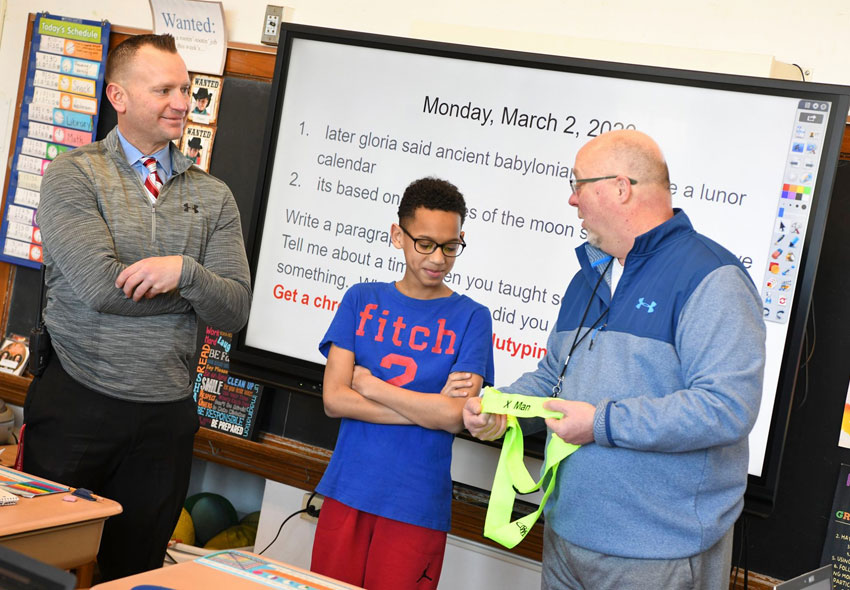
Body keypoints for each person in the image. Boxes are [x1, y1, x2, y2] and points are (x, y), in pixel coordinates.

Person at [463, 130, 765, 590]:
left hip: (656, 556)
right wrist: (502, 410)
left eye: (579, 184)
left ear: (621, 188)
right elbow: (553, 376)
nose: (571, 199)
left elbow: (725, 408)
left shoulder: (712, 279)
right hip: (565, 536)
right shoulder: (588, 275)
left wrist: (601, 422)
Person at [22, 34, 251, 581]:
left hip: (165, 418)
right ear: (118, 97)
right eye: (165, 89)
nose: (182, 103)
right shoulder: (74, 176)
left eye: (187, 90)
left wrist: (184, 272)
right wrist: (190, 301)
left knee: (136, 573)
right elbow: (100, 287)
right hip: (77, 403)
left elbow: (235, 308)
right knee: (33, 570)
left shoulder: (213, 195)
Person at [310, 177, 495, 590]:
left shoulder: (472, 318)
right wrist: (429, 410)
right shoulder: (361, 299)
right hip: (347, 489)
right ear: (399, 235)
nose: (438, 258)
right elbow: (335, 399)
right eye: (425, 243)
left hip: (416, 505)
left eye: (450, 246)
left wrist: (373, 387)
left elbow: (454, 417)